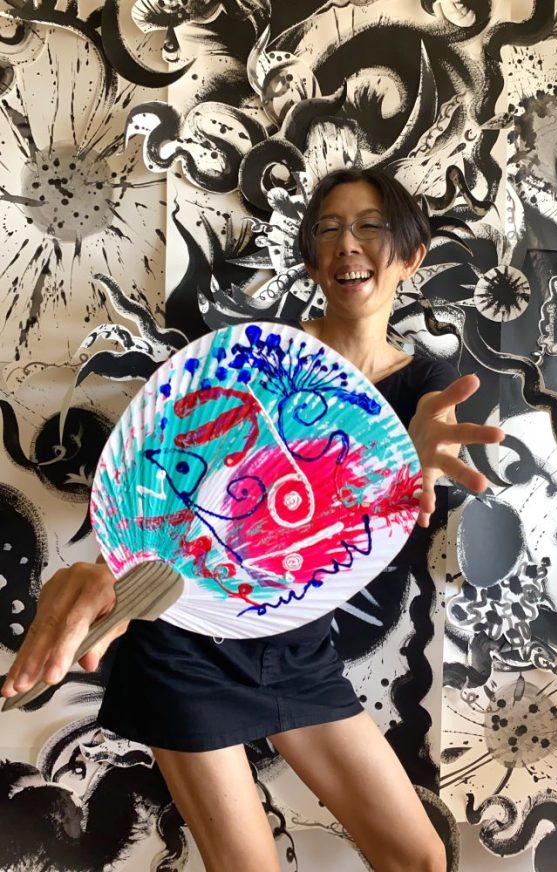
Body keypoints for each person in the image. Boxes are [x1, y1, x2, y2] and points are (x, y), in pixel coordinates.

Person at [2, 168, 504, 872]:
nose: (347, 243)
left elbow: (413, 472)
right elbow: (166, 489)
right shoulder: (253, 357)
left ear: (411, 256)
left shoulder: (426, 390)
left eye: (370, 226)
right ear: (312, 260)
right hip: (185, 648)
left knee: (419, 858)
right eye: (328, 228)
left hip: (297, 651)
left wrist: (406, 460)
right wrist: (111, 565)